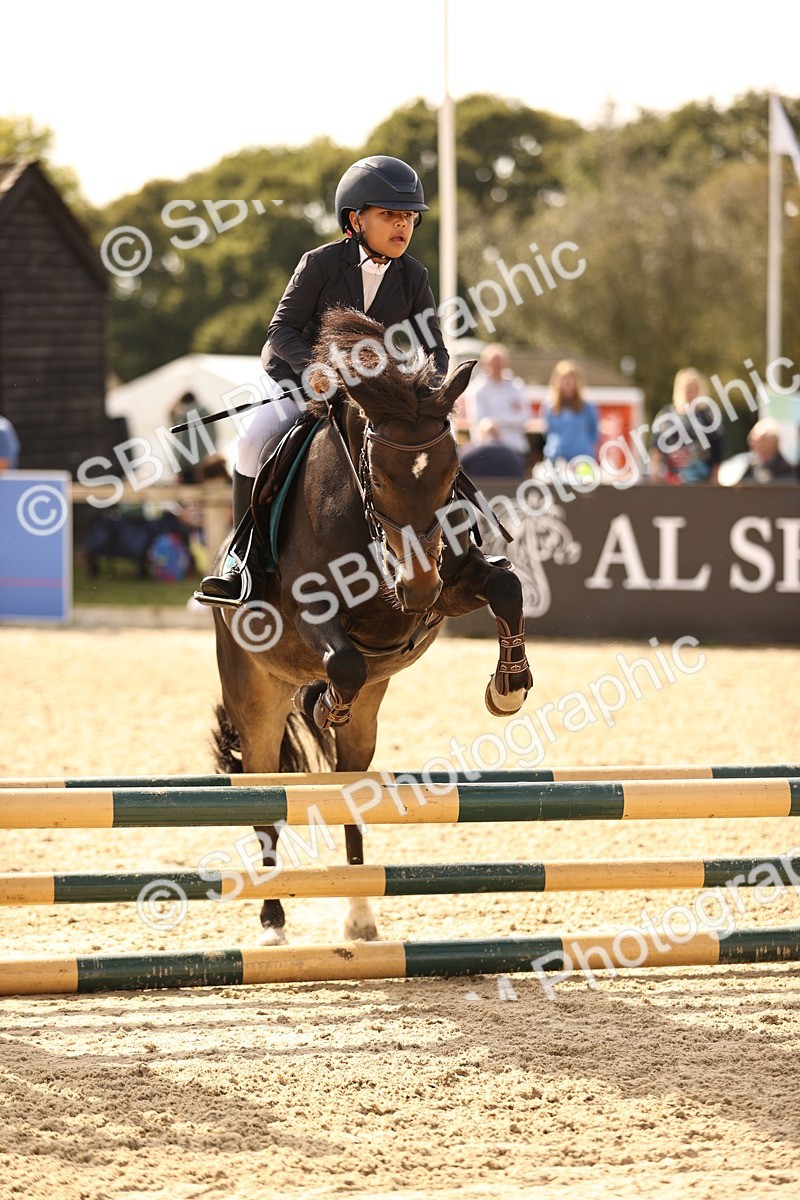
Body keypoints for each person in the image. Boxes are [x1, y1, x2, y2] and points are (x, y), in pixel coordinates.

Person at [196, 155, 448, 607]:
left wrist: (434, 391)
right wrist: (316, 370)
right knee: (251, 442)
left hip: (368, 394)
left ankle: (466, 551)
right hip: (300, 380)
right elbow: (281, 331)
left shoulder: (414, 276)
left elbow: (435, 347)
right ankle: (241, 561)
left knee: (429, 450)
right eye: (389, 214)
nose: (402, 225)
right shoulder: (320, 262)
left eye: (409, 217)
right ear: (355, 219)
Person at [649, 367, 723, 484]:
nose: (689, 392)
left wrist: (715, 475)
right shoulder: (666, 415)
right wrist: (655, 470)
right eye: (686, 388)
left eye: (692, 388)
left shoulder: (707, 416)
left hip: (701, 477)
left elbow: (718, 446)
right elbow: (655, 445)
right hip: (671, 477)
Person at [463, 344, 529, 461]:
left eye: (500, 363)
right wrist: (510, 415)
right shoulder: (477, 389)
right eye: (494, 363)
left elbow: (524, 417)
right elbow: (479, 421)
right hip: (486, 449)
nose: (498, 367)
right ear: (485, 364)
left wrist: (494, 422)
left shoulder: (516, 386)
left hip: (515, 448)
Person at [542, 360, 599, 469]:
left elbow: (594, 434)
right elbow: (547, 432)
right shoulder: (550, 406)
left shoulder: (588, 407)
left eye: (571, 378)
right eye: (563, 378)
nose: (567, 382)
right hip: (556, 460)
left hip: (582, 461)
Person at [168, 392, 215, 484]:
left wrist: (177, 467)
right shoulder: (206, 412)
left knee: (187, 489)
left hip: (187, 464)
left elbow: (181, 442)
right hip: (204, 463)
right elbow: (213, 435)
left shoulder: (183, 414)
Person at [459, 418, 527, 478]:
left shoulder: (471, 453)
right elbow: (520, 472)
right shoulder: (514, 455)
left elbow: (460, 467)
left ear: (482, 433)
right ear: (499, 434)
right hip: (508, 489)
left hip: (477, 488)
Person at [739, 418, 795, 483]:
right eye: (752, 440)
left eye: (758, 441)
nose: (752, 444)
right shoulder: (748, 465)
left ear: (771, 443)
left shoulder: (785, 469)